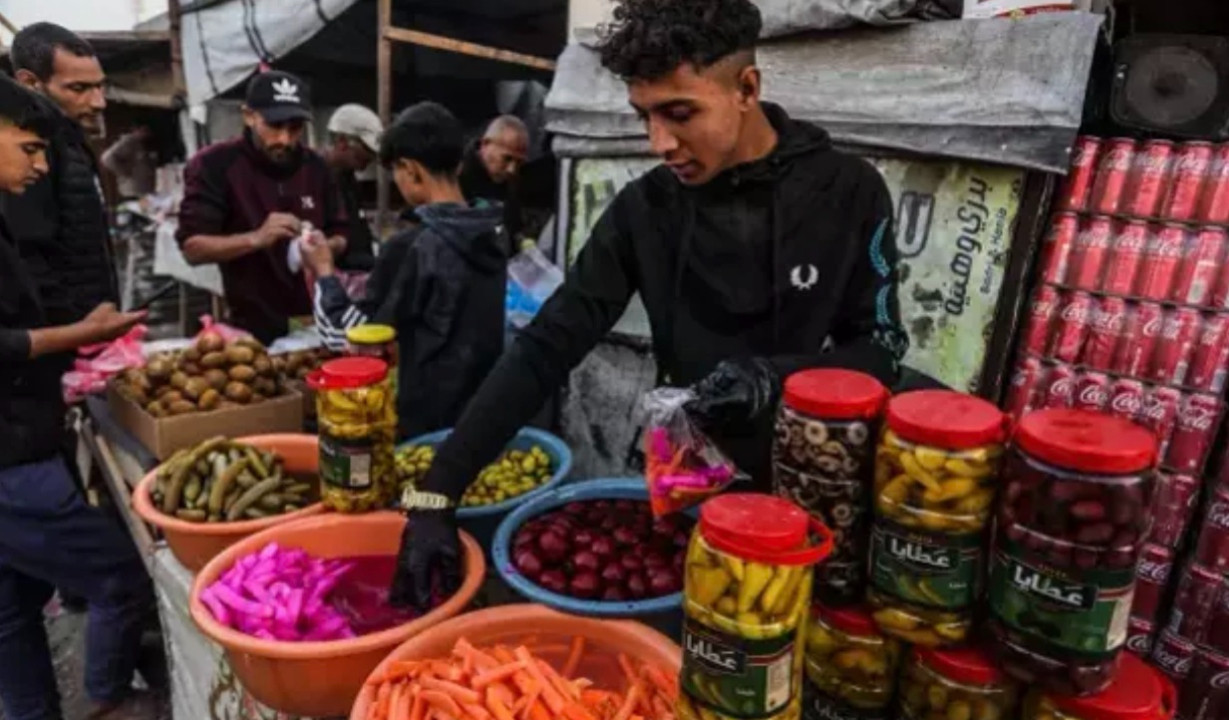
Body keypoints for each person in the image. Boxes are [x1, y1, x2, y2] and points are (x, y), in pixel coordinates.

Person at [390, 0, 908, 610]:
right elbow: (548, 341)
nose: (659, 142)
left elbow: (881, 349)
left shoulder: (847, 192)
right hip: (689, 492)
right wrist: (438, 490)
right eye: (644, 117)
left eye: (679, 113)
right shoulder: (646, 210)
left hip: (813, 501)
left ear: (746, 88)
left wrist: (773, 377)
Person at [0, 76, 158, 720]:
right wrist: (83, 333)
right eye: (31, 148)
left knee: (9, 613)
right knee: (121, 575)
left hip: (20, 435)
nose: (41, 166)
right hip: (10, 456)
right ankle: (107, 699)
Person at [304, 102, 507, 438]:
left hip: (429, 428)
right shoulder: (493, 231)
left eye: (396, 173)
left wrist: (324, 271)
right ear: (458, 165)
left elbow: (346, 340)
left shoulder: (413, 247)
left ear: (410, 170)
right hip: (482, 423)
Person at [178, 70, 349, 343]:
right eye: (274, 125)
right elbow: (192, 249)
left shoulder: (316, 167)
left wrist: (324, 248)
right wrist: (256, 238)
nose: (284, 139)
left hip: (316, 323)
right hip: (250, 327)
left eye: (294, 128)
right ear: (249, 116)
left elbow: (341, 232)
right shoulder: (214, 165)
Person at [1, 22, 117, 332]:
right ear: (30, 83)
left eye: (99, 86)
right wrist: (69, 332)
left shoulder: (71, 142)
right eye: (79, 88)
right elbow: (28, 254)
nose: (98, 102)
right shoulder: (27, 155)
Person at [322, 103, 382, 271]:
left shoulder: (348, 179)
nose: (371, 157)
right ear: (342, 142)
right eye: (366, 149)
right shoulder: (315, 178)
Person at [459, 115, 528, 246]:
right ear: (485, 144)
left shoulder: (510, 183)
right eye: (507, 158)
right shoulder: (456, 173)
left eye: (519, 162)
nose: (511, 169)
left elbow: (514, 229)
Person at [101, 122, 157, 199]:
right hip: (133, 190)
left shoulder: (141, 143)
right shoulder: (129, 141)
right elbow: (107, 158)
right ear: (136, 129)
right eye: (144, 130)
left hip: (143, 190)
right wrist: (124, 172)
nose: (147, 133)